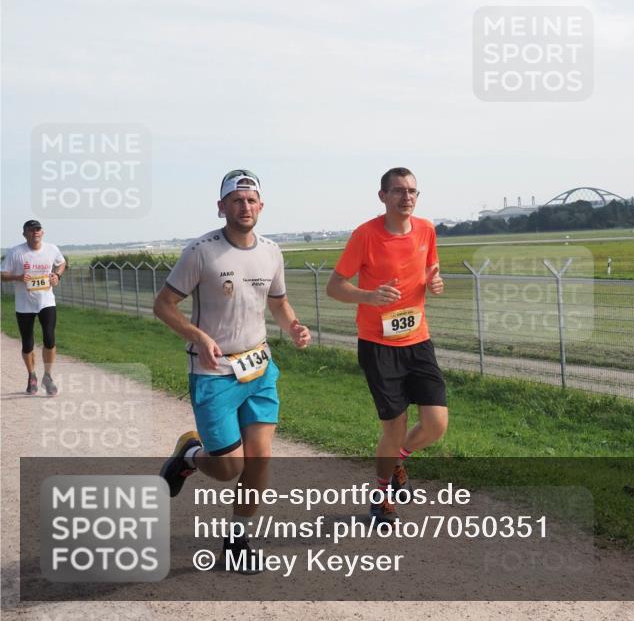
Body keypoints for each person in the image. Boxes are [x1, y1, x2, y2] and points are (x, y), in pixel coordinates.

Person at [153, 169, 311, 573]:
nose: (245, 206)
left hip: (258, 368)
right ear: (221, 206)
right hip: (214, 372)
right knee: (228, 468)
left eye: (251, 199)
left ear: (261, 205)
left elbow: (277, 302)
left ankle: (238, 539)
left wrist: (292, 325)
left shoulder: (272, 251)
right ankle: (189, 454)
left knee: (258, 461)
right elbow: (163, 305)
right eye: (236, 200)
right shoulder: (201, 252)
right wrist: (198, 336)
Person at [327, 167, 446, 524]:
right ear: (383, 196)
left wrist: (435, 281)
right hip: (378, 345)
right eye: (398, 191)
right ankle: (381, 498)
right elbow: (334, 286)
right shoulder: (365, 235)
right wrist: (369, 295)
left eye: (412, 191)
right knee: (393, 429)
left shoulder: (426, 229)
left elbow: (431, 268)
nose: (406, 197)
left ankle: (398, 462)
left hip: (418, 340)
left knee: (436, 424)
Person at [1, 220, 67, 396]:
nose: (35, 232)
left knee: (49, 337)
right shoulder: (16, 252)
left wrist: (57, 276)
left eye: (38, 229)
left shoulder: (52, 249)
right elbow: (3, 275)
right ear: (25, 234)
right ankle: (31, 376)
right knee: (27, 343)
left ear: (42, 233)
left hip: (46, 300)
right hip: (24, 304)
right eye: (31, 230)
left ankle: (48, 376)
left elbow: (62, 263)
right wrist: (18, 277)